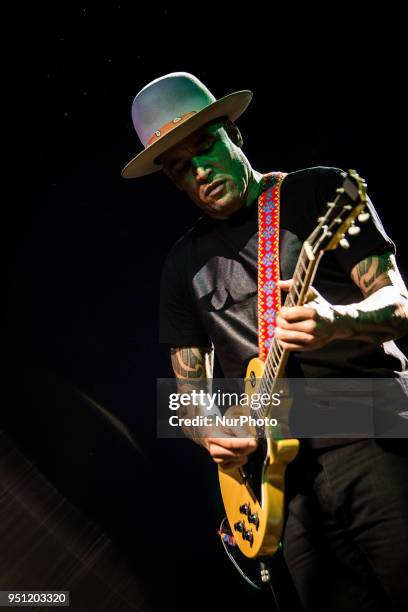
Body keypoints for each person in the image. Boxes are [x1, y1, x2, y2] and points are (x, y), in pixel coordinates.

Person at [122, 72, 408, 611]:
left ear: (234, 133)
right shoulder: (180, 267)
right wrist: (211, 432)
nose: (200, 172)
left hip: (375, 433)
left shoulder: (318, 191)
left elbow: (399, 305)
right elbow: (183, 398)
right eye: (181, 168)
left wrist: (337, 320)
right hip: (281, 491)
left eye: (205, 148)